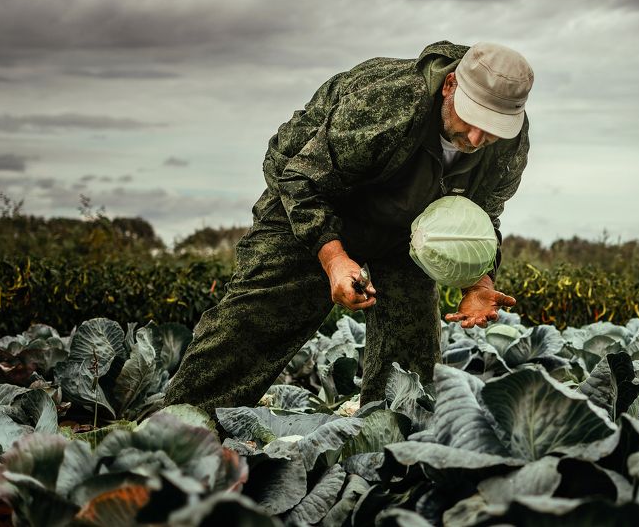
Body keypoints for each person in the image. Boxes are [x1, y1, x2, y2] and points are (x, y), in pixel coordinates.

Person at [163, 40, 533, 411]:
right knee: (261, 316)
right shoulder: (390, 102)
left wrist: (480, 282)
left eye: (492, 129)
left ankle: (390, 445)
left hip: (410, 225)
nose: (475, 139)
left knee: (411, 345)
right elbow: (302, 181)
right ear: (450, 85)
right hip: (317, 197)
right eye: (471, 119)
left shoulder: (508, 144)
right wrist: (334, 258)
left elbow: (482, 214)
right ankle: (179, 425)